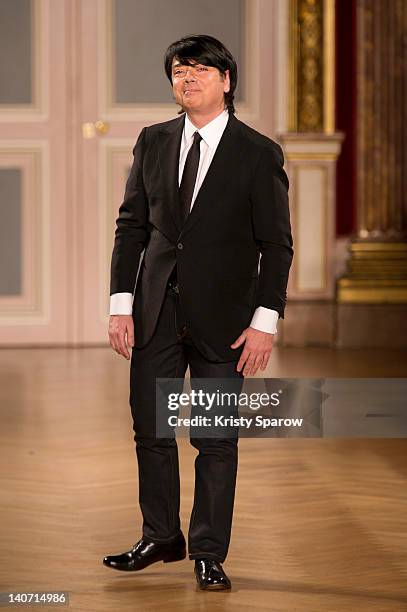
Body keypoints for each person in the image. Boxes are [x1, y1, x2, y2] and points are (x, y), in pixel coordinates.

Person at [103, 34, 293, 590]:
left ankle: (208, 551)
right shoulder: (153, 141)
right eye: (179, 71)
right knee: (151, 430)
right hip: (156, 308)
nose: (187, 79)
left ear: (226, 82)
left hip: (227, 322)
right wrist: (121, 305)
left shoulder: (257, 153)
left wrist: (265, 322)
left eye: (201, 71)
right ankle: (161, 535)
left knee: (214, 440)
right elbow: (131, 226)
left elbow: (276, 245)